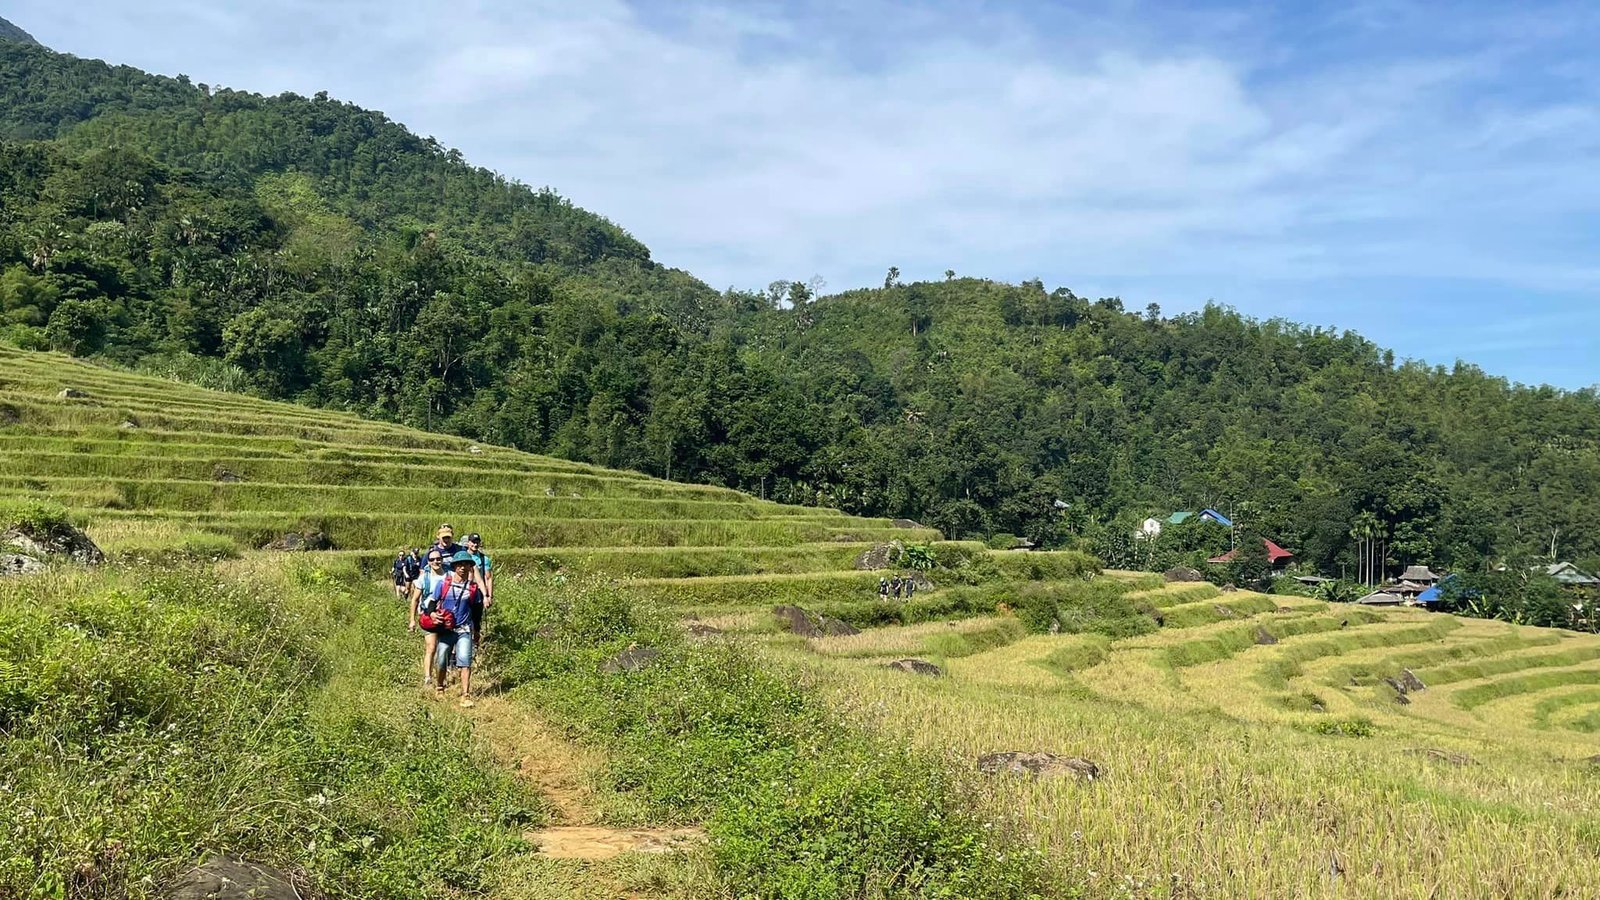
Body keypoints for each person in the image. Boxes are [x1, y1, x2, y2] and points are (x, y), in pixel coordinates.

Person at [431, 551, 482, 707]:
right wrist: (432, 614)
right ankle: (440, 687)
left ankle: (465, 695)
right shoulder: (443, 584)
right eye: (459, 565)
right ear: (454, 567)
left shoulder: (473, 589)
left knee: (465, 661)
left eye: (466, 564)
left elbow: (477, 612)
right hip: (446, 630)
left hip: (464, 630)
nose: (463, 568)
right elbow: (431, 603)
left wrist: (477, 630)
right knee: (441, 660)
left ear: (470, 567)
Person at [409, 547, 450, 690]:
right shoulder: (424, 578)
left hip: (446, 616)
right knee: (431, 647)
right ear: (428, 562)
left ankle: (442, 676)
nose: (436, 561)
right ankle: (428, 677)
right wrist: (412, 620)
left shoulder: (449, 575)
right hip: (428, 616)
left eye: (438, 559)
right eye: (432, 559)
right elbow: (415, 599)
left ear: (442, 560)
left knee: (444, 648)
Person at [463, 532, 493, 642]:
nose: (475, 544)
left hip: (478, 592)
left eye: (477, 542)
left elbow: (488, 578)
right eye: (473, 542)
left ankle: (475, 644)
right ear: (468, 543)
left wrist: (488, 596)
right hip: (463, 591)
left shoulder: (484, 559)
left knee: (476, 621)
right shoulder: (462, 556)